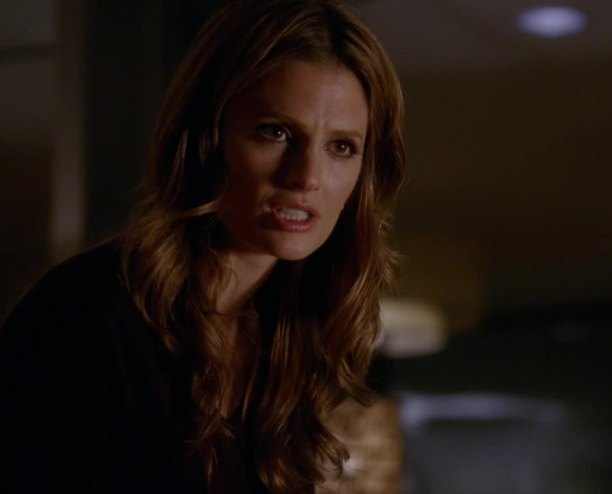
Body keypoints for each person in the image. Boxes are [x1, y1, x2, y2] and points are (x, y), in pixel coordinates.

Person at [0, 0, 406, 492]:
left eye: (341, 147)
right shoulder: (86, 315)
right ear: (206, 139)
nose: (306, 177)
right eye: (275, 133)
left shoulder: (293, 335)